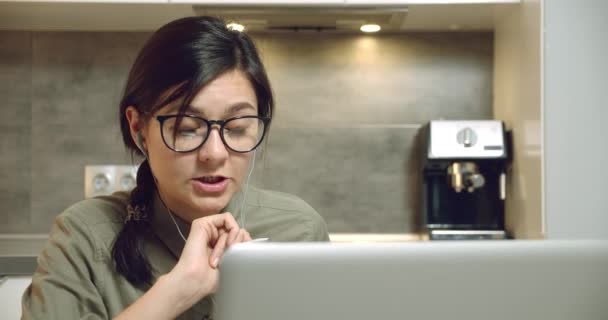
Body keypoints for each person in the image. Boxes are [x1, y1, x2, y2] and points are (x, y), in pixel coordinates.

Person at [21, 16, 329, 320]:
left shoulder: (298, 230)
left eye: (236, 127)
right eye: (186, 127)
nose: (214, 153)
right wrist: (181, 288)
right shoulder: (84, 237)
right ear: (139, 128)